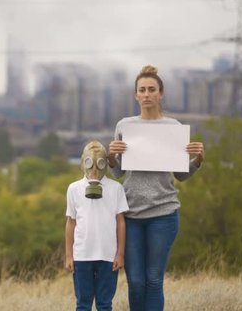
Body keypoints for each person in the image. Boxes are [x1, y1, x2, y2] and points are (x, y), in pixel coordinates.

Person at [107, 65, 204, 311]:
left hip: (164, 213)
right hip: (131, 215)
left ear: (161, 93)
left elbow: (181, 176)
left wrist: (198, 160)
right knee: (136, 281)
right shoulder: (124, 125)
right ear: (136, 95)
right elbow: (117, 173)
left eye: (152, 89)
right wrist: (111, 156)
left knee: (153, 279)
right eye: (142, 90)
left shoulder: (173, 127)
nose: (147, 94)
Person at [65, 140, 129, 311]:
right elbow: (71, 222)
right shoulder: (74, 189)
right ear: (83, 162)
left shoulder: (116, 188)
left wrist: (120, 254)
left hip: (107, 256)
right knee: (83, 304)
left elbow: (120, 222)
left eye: (100, 162)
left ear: (106, 163)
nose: (94, 167)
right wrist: (69, 255)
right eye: (89, 162)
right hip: (82, 256)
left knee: (104, 304)